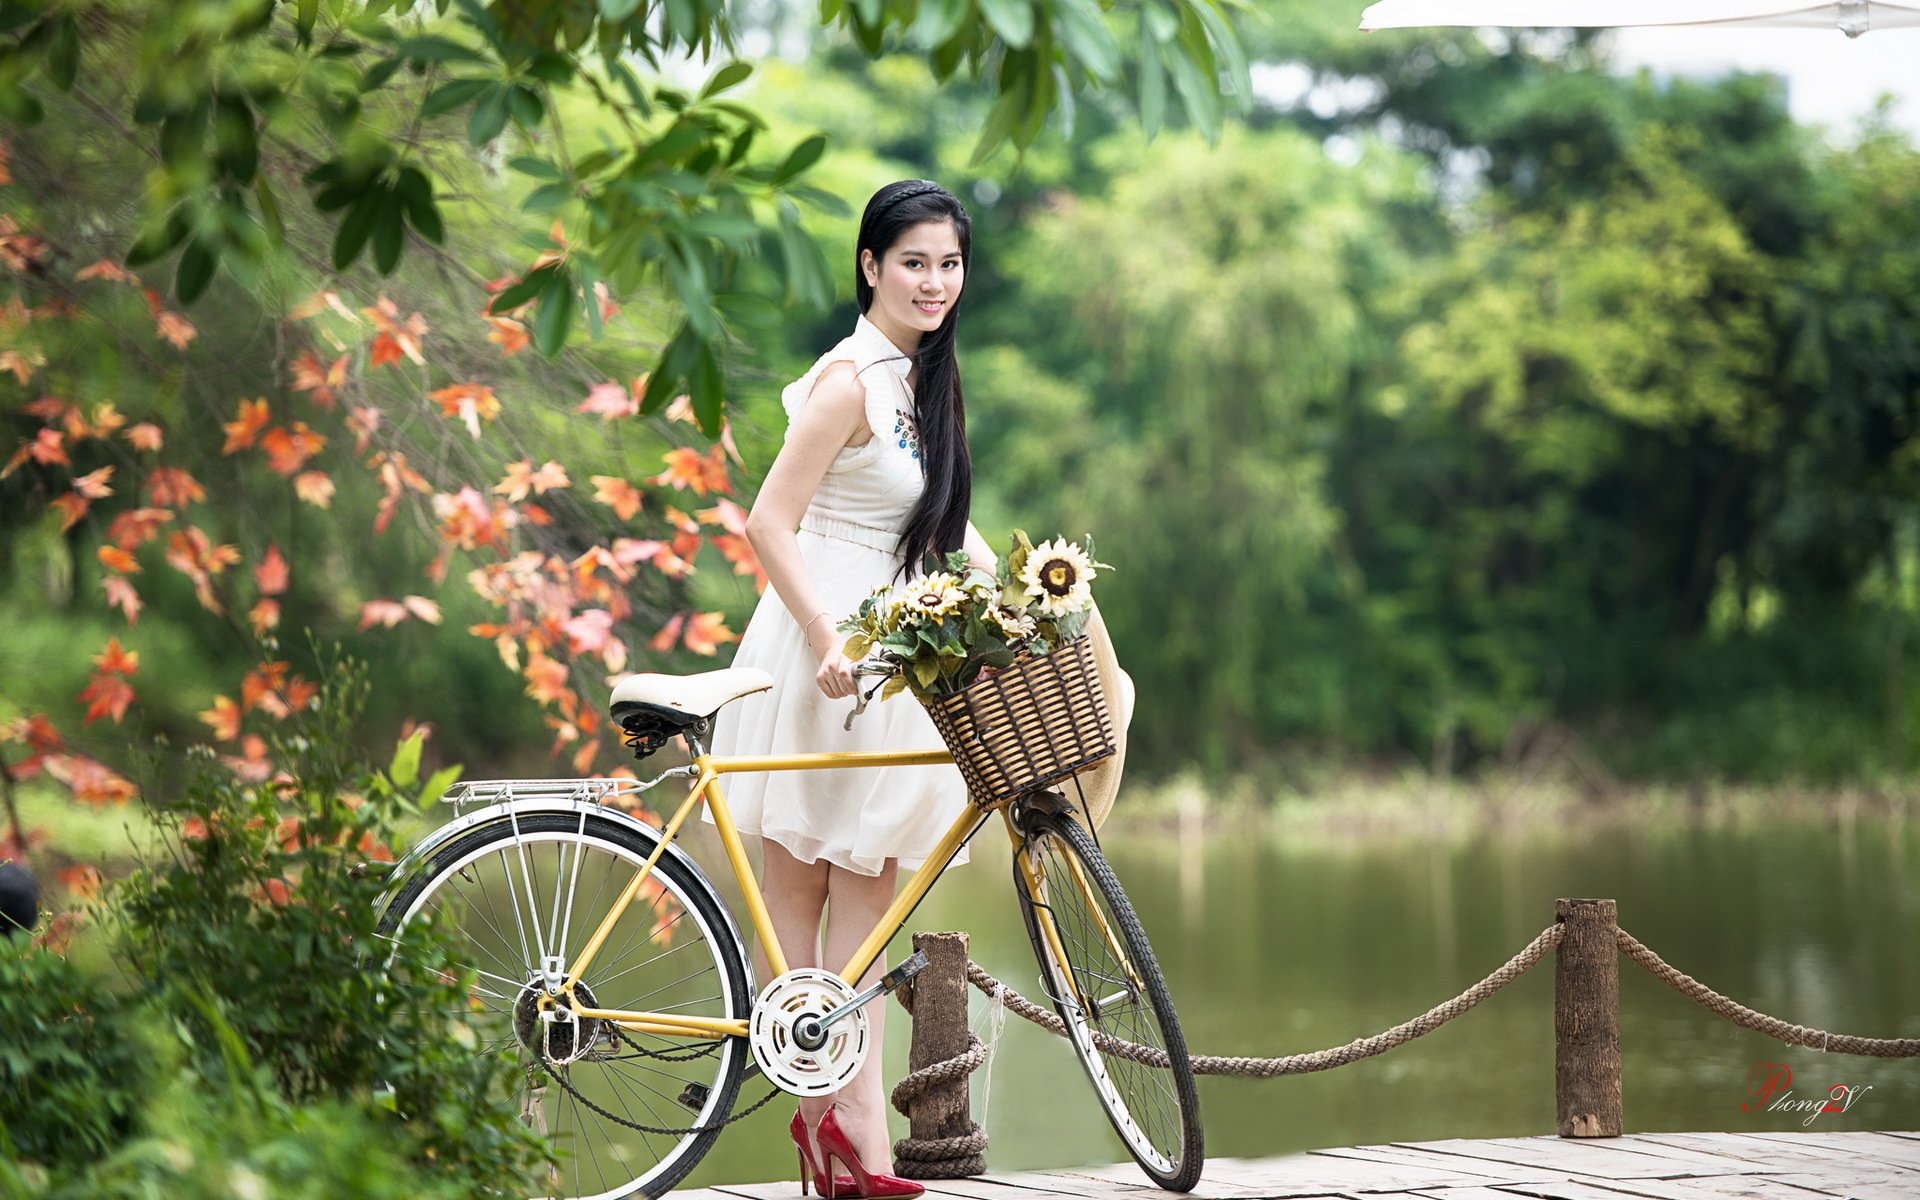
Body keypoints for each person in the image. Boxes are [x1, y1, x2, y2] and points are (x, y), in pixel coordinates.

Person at [711, 179, 996, 1199]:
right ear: (871, 267)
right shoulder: (849, 380)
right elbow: (767, 522)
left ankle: (846, 1152)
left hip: (895, 656)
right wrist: (829, 635)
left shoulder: (925, 380)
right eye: (914, 261)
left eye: (949, 263)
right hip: (823, 651)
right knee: (801, 916)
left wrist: (1012, 604)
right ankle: (850, 1152)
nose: (934, 281)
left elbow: (938, 533)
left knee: (866, 916)